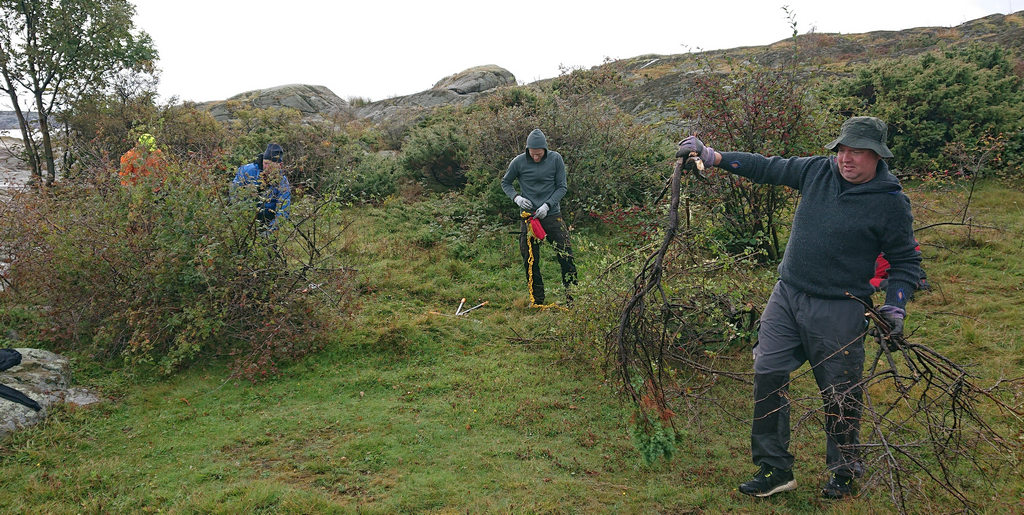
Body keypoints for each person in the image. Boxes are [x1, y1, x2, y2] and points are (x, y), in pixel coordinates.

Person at [677, 116, 923, 499]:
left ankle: (843, 471)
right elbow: (768, 167)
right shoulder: (816, 171)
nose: (846, 158)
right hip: (787, 295)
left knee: (840, 391)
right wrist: (713, 156)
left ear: (877, 156)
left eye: (857, 152)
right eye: (842, 149)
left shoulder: (890, 203)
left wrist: (896, 307)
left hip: (841, 308)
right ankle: (774, 468)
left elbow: (906, 261)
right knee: (769, 371)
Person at [501, 128, 577, 307]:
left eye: (539, 154)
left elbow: (562, 187)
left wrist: (547, 205)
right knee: (530, 259)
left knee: (566, 255)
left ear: (545, 149)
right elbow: (506, 183)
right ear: (528, 150)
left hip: (551, 215)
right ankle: (537, 300)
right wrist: (516, 198)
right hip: (529, 219)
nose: (536, 157)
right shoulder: (518, 162)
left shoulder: (555, 159)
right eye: (533, 154)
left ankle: (573, 297)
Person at [231, 143, 291, 232]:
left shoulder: (283, 182)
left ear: (280, 165)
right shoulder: (246, 171)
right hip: (245, 217)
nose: (266, 168)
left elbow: (284, 210)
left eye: (271, 165)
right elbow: (234, 194)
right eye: (265, 163)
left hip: (268, 222)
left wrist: (270, 231)